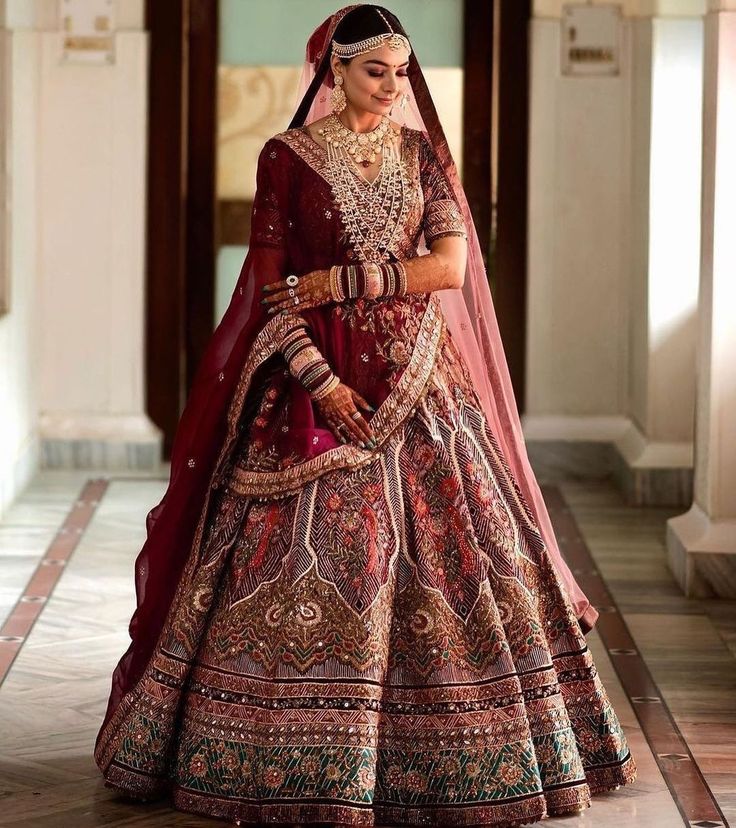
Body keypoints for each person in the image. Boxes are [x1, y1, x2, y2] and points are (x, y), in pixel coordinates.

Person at [93, 5, 636, 825]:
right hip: (313, 387)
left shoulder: (420, 155)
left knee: (463, 558)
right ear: (335, 70)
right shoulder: (287, 159)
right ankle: (290, 756)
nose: (391, 85)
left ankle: (465, 756)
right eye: (374, 69)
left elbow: (449, 268)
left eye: (400, 70)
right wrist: (323, 382)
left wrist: (346, 283)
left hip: (422, 376)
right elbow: (274, 294)